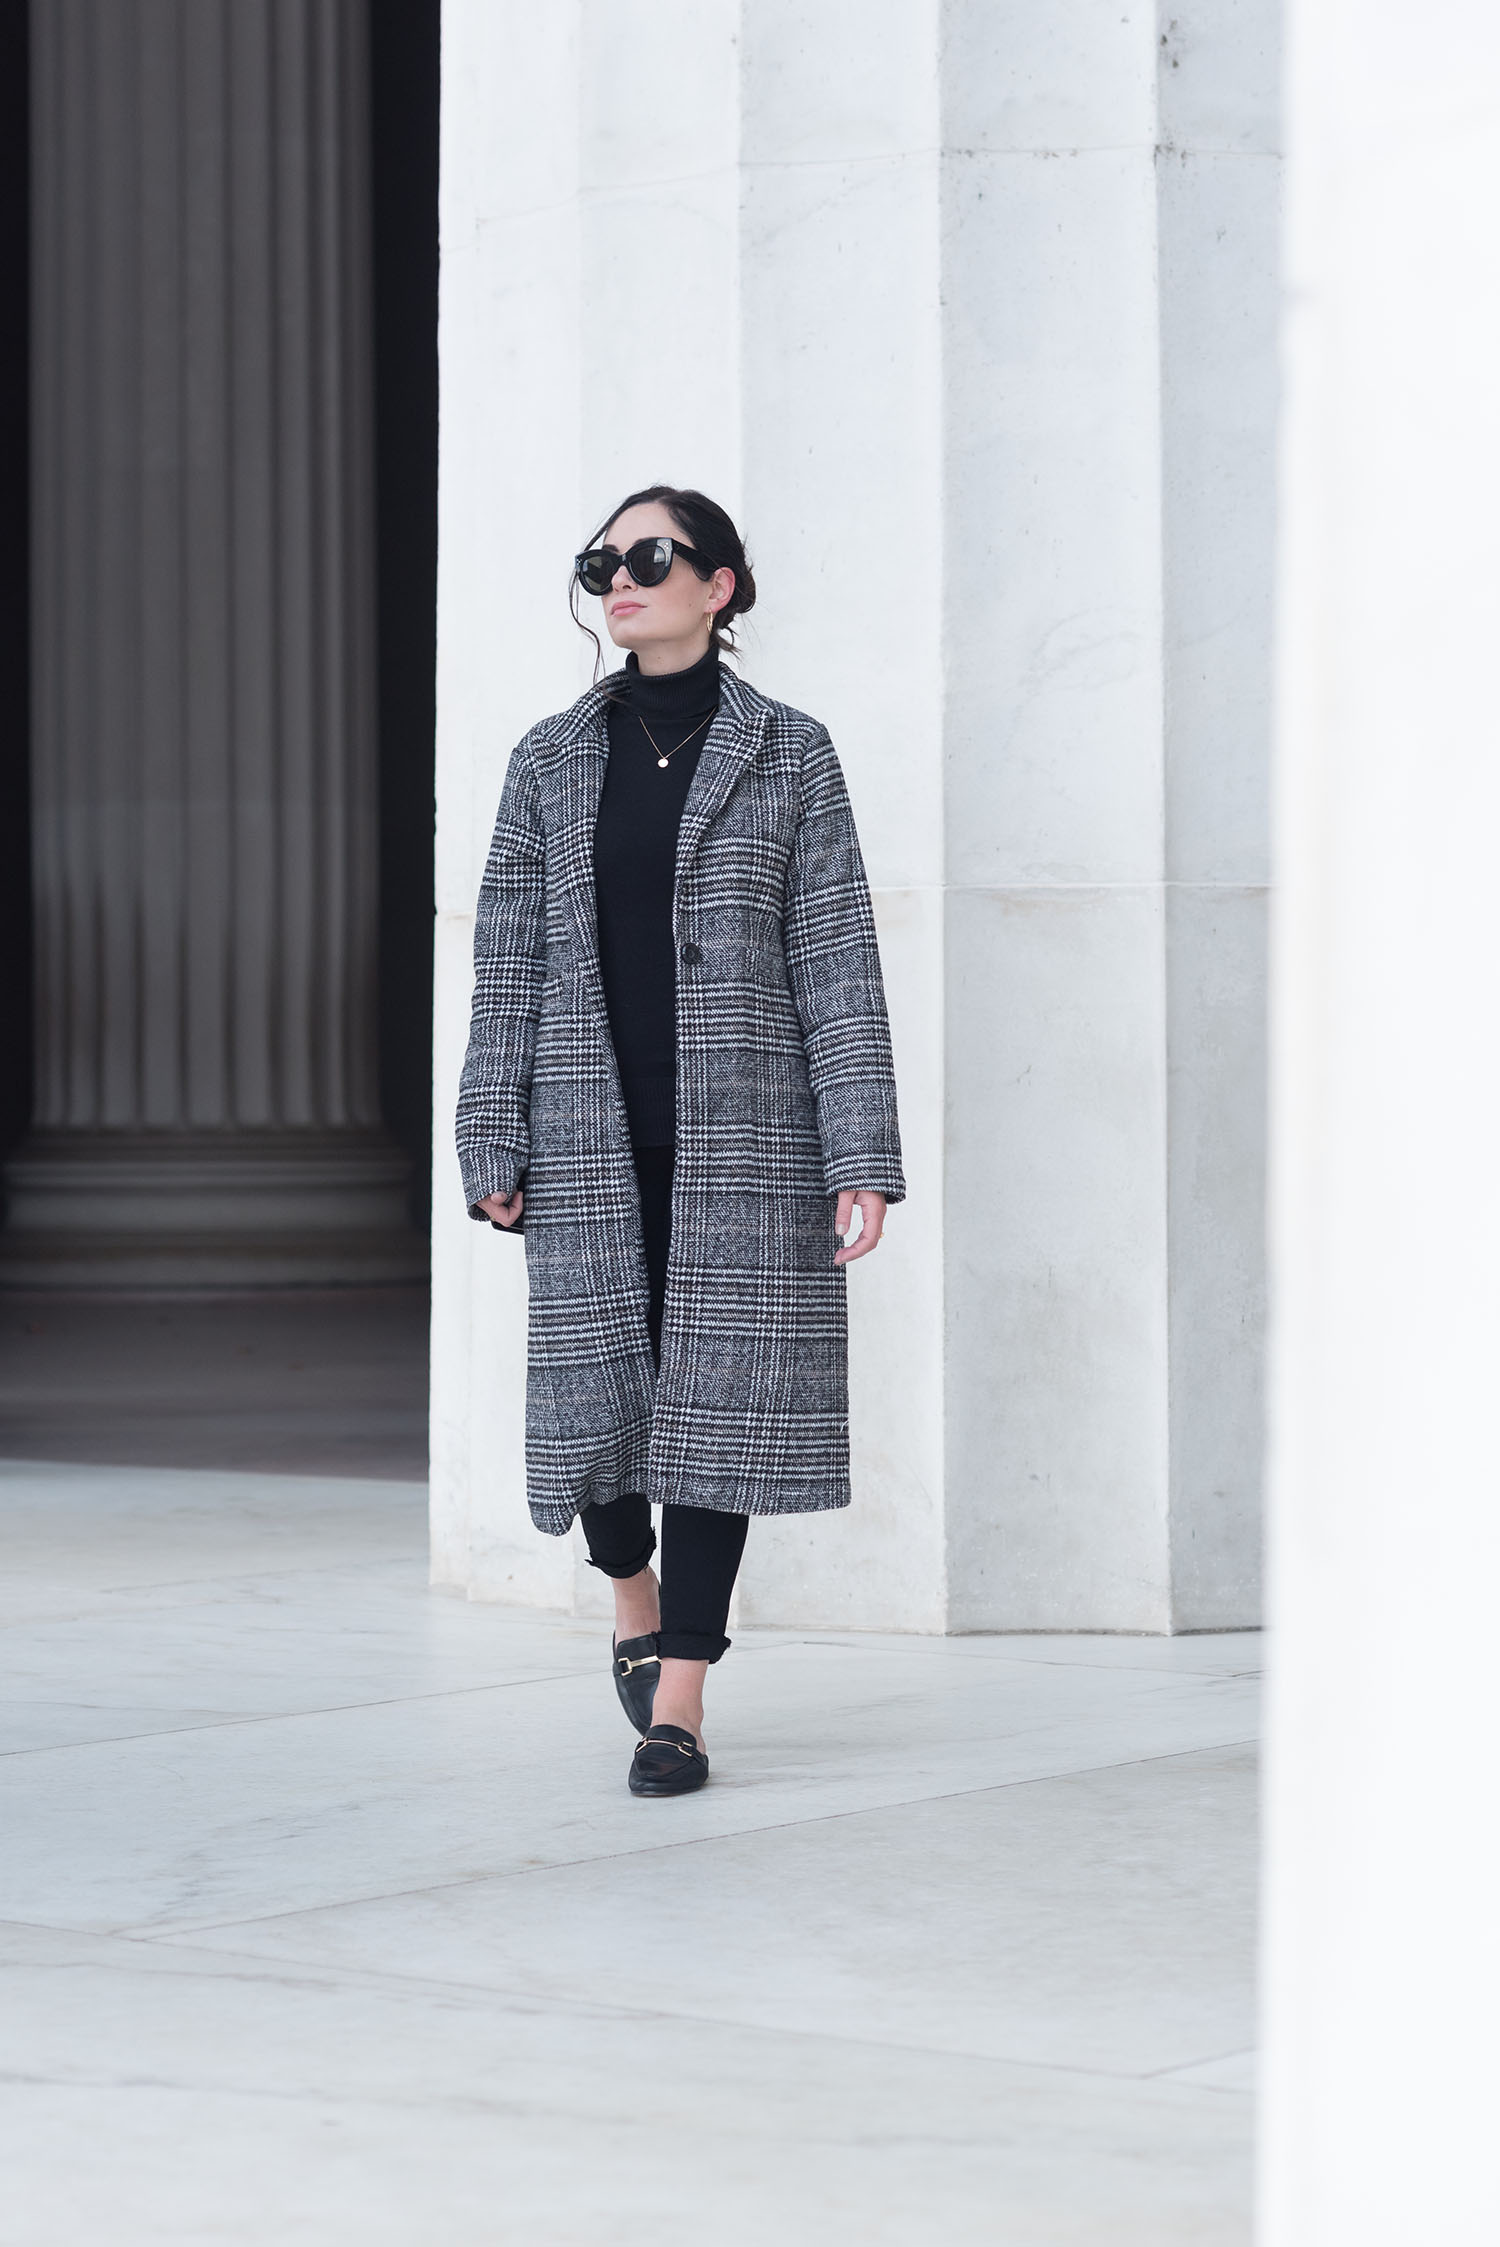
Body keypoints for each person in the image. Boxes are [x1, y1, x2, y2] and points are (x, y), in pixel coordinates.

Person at [455, 485, 905, 1797]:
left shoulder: (791, 752)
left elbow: (835, 962)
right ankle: (628, 1582)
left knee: (722, 1407)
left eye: (650, 557)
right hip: (585, 1125)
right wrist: (491, 1127)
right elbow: (507, 962)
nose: (622, 579)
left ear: (719, 586)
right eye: (603, 561)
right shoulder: (548, 758)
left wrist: (858, 1150)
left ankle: (683, 1705)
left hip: (747, 1138)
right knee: (596, 1397)